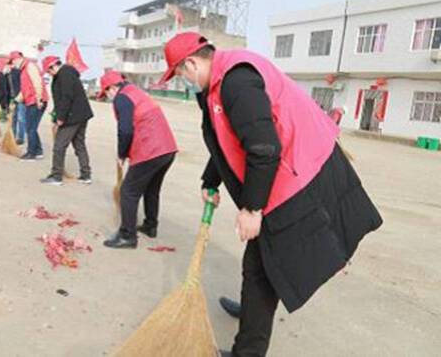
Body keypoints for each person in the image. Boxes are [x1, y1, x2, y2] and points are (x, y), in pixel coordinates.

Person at [159, 32, 383, 356]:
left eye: (180, 73)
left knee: (263, 266)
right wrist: (211, 181)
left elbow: (263, 148)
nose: (183, 80)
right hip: (286, 172)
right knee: (260, 266)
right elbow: (227, 141)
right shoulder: (221, 81)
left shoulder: (236, 81)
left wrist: (252, 210)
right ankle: (253, 315)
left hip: (300, 176)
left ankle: (249, 345)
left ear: (191, 63)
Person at [98, 70, 178, 249]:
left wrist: (121, 154)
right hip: (167, 148)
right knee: (151, 189)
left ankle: (128, 235)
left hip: (150, 150)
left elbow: (125, 130)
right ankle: (150, 226)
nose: (109, 97)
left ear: (111, 88)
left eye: (107, 93)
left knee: (128, 191)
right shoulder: (136, 91)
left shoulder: (122, 97)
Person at [40, 56, 94, 185]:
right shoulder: (66, 74)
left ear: (53, 66)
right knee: (79, 145)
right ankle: (85, 175)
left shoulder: (65, 74)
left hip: (72, 116)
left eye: (49, 70)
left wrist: (60, 118)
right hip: (81, 115)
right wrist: (55, 114)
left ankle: (56, 176)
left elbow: (66, 97)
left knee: (59, 146)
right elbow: (61, 99)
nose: (49, 73)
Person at [12, 51, 48, 161]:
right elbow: (24, 90)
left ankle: (31, 153)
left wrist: (39, 99)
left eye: (13, 61)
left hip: (36, 101)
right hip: (30, 101)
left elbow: (37, 82)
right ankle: (38, 151)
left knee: (30, 128)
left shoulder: (30, 66)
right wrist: (15, 101)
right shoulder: (23, 70)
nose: (13, 65)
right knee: (31, 127)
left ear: (18, 59)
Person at [5, 53, 25, 144]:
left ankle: (20, 138)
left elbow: (22, 86)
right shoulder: (7, 75)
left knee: (21, 118)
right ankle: (11, 136)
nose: (9, 65)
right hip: (13, 98)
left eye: (10, 63)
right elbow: (8, 89)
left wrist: (19, 98)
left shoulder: (18, 72)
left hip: (20, 98)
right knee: (13, 117)